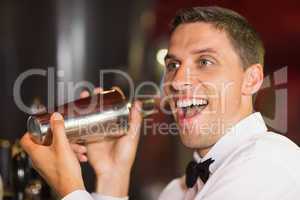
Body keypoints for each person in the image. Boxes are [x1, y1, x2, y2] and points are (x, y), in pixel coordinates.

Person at [20, 6, 300, 200]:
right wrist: (111, 177)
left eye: (204, 62)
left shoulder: (270, 163)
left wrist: (69, 188)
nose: (177, 81)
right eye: (173, 64)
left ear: (251, 80)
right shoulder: (175, 192)